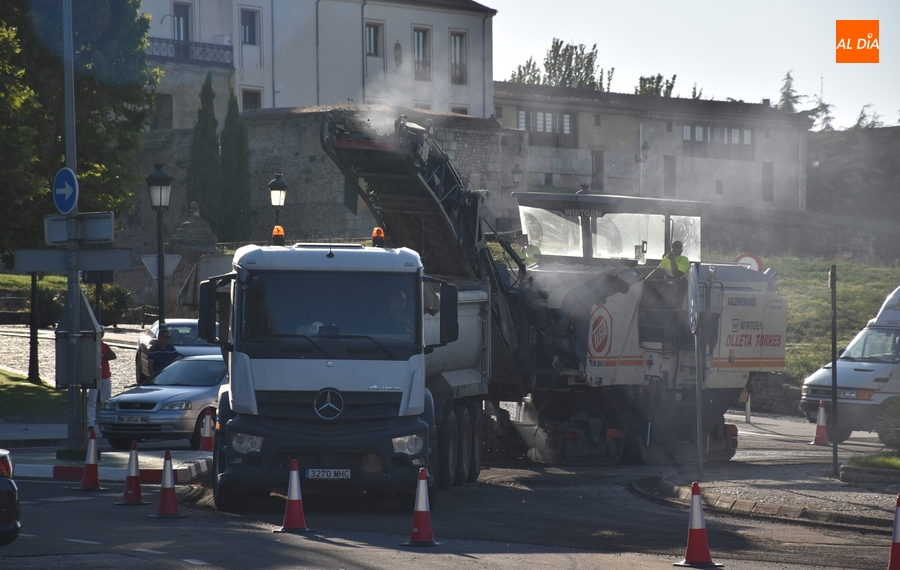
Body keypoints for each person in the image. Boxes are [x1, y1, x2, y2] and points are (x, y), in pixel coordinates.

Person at [87, 328, 116, 431]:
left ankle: (105, 420)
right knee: (92, 401)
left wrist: (103, 356)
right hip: (94, 377)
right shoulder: (91, 346)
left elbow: (113, 355)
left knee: (106, 400)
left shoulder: (105, 346)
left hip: (105, 376)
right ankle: (91, 422)